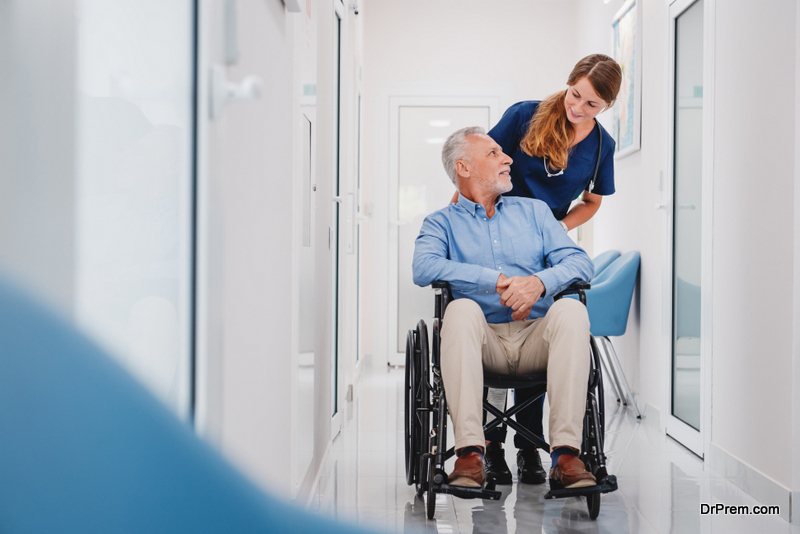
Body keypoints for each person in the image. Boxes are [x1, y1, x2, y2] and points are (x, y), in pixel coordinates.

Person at [412, 126, 596, 490]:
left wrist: (539, 283)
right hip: (483, 343)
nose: (508, 158)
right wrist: (491, 280)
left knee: (572, 311)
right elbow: (423, 268)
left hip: (536, 338)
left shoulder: (536, 213)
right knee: (460, 310)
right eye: (494, 153)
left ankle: (566, 456)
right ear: (463, 168)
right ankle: (469, 453)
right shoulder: (441, 223)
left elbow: (580, 263)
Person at [473, 54, 622, 486]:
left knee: (539, 333)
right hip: (492, 236)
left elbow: (592, 202)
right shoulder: (525, 115)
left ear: (605, 106)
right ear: (570, 83)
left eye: (591, 104)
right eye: (576, 94)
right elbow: (482, 163)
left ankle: (529, 447)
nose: (578, 108)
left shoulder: (601, 147)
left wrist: (555, 228)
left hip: (543, 247)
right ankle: (492, 444)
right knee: (495, 331)